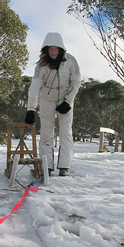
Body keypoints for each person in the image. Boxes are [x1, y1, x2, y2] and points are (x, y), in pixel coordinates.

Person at [25, 32, 81, 176]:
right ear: (46, 49)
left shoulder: (70, 61)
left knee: (65, 132)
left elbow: (76, 82)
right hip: (46, 99)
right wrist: (31, 109)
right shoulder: (41, 65)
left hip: (65, 99)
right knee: (46, 133)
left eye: (56, 49)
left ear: (61, 49)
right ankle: (46, 166)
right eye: (50, 49)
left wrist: (68, 101)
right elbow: (35, 86)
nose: (53, 52)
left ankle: (64, 166)